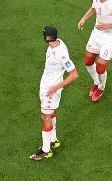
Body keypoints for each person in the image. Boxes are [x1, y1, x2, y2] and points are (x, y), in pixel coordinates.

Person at [29, 26, 78, 161]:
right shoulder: (58, 42)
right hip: (46, 85)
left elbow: (74, 74)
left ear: (47, 38)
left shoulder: (60, 54)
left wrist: (56, 87)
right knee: (48, 114)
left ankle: (46, 150)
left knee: (45, 116)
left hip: (51, 89)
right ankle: (53, 140)